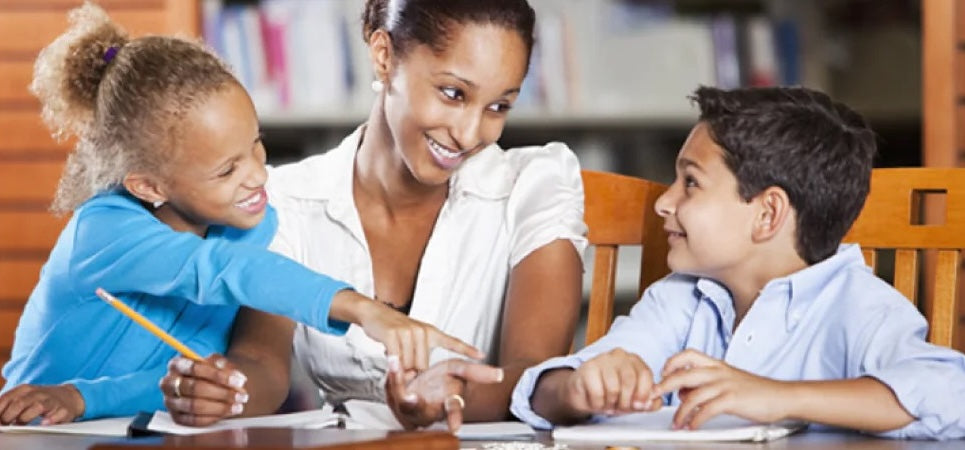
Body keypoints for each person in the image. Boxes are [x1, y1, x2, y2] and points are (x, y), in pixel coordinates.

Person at [0, 2, 479, 426]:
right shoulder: (102, 230)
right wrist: (363, 308)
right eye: (228, 169)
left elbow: (179, 381)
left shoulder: (255, 227)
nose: (259, 175)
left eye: (256, 144)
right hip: (34, 429)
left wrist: (104, 396)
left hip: (137, 429)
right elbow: (220, 272)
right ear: (149, 186)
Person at [160, 0, 587, 431]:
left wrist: (447, 400)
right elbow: (262, 363)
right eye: (454, 94)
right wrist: (221, 390)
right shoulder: (289, 204)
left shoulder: (534, 186)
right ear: (384, 55)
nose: (470, 134)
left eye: (498, 107)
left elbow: (536, 373)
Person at [510, 86, 965, 440]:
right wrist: (578, 388)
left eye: (690, 183)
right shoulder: (679, 298)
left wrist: (774, 397)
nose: (663, 203)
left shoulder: (860, 306)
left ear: (767, 214)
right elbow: (548, 392)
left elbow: (950, 395)